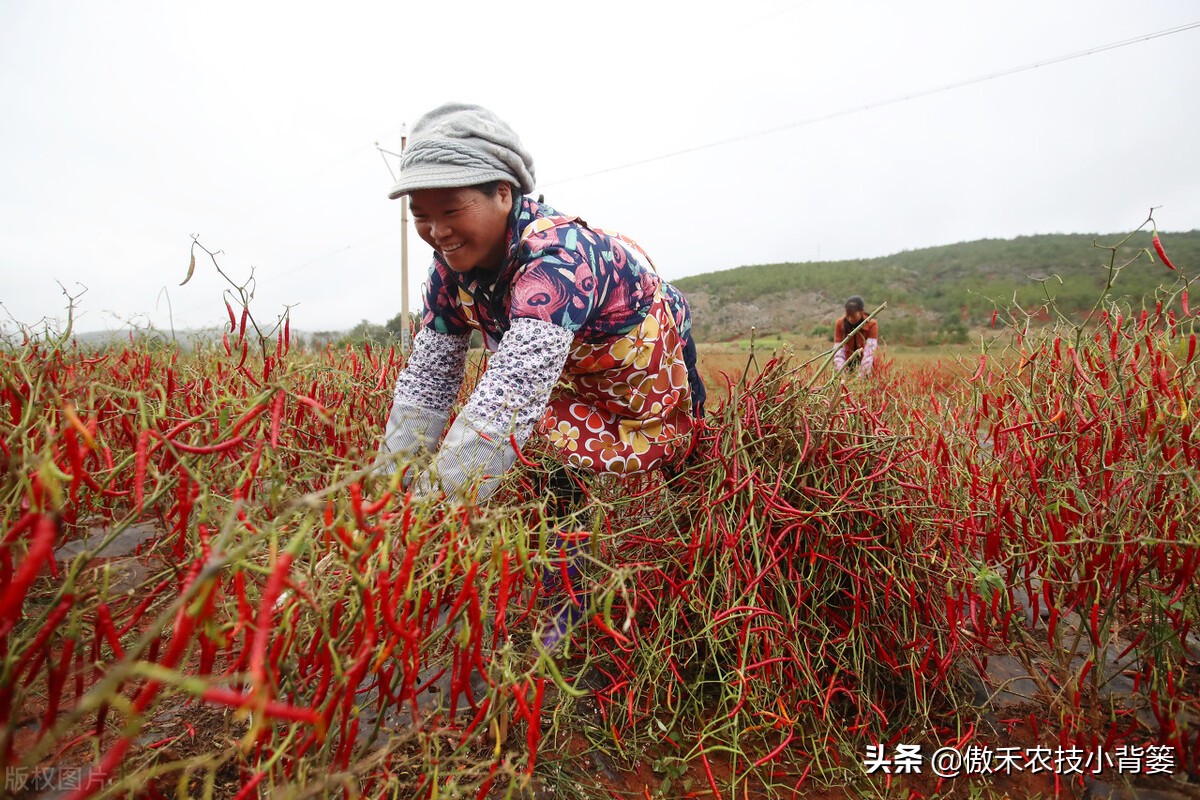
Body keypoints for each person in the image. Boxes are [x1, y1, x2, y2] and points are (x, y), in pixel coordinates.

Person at [376, 102, 706, 506]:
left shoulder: (559, 260)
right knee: (552, 467)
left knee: (690, 457)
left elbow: (511, 395)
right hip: (565, 379)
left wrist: (433, 508)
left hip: (643, 358)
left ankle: (705, 537)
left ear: (502, 193)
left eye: (451, 210)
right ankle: (570, 557)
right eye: (421, 215)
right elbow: (429, 379)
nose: (437, 230)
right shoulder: (448, 273)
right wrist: (386, 491)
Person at [833, 296, 878, 377]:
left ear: (862, 312)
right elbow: (838, 351)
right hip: (846, 365)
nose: (850, 319)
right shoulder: (840, 323)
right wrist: (841, 372)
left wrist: (861, 376)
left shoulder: (872, 324)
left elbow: (869, 353)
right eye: (848, 315)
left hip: (866, 367)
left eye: (853, 316)